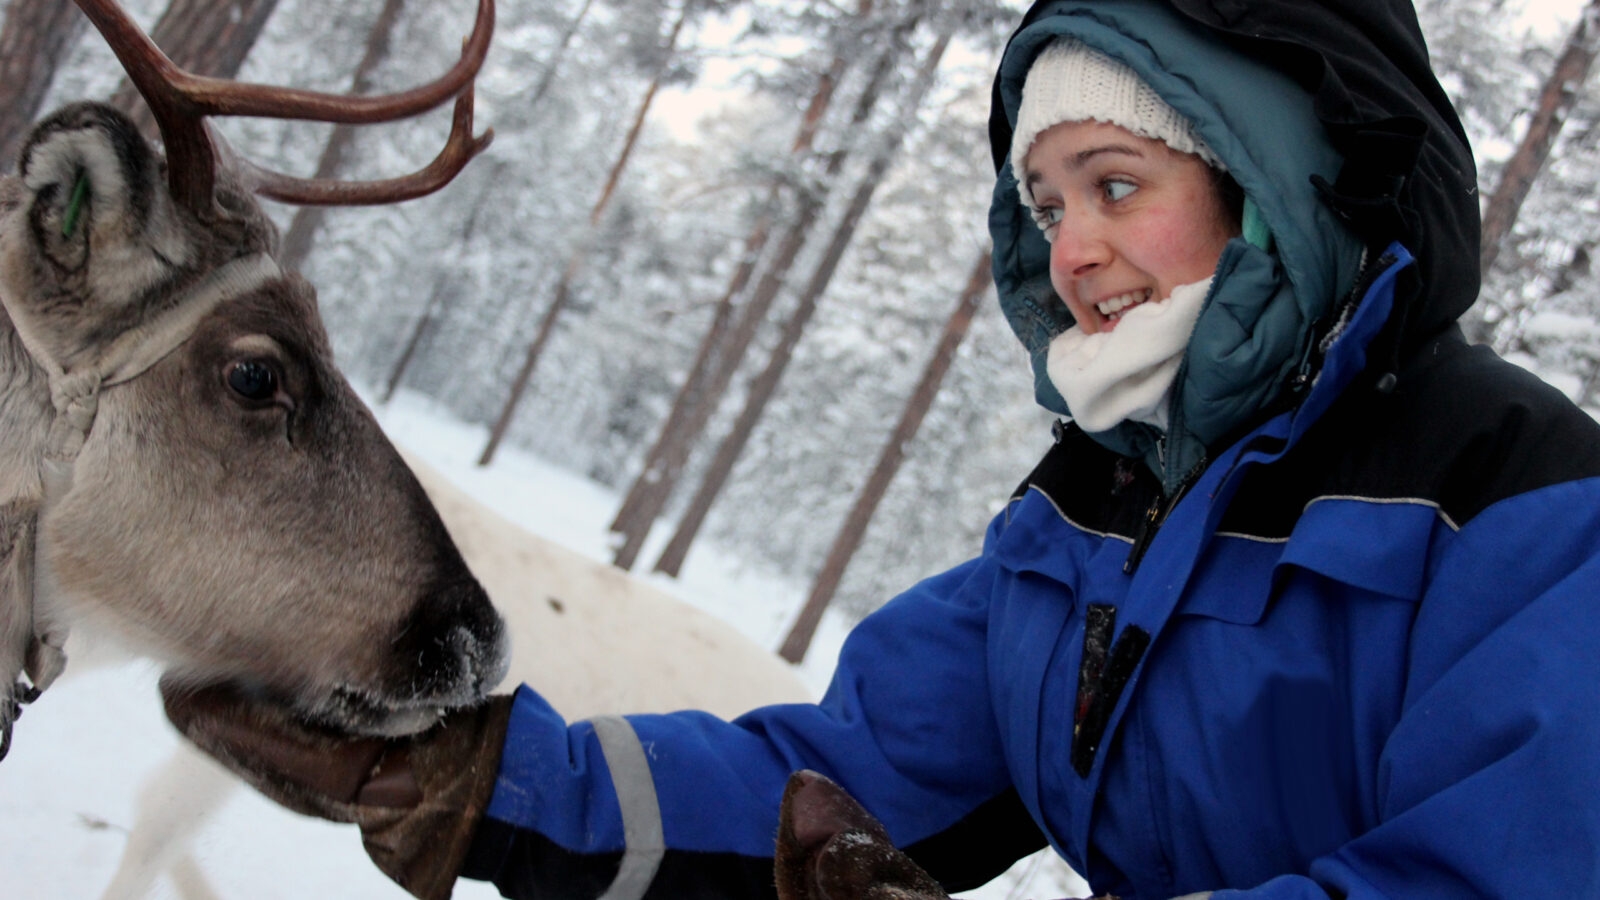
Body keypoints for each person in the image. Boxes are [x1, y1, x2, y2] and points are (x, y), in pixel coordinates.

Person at [161, 0, 1600, 898]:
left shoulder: (1531, 516)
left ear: (1273, 184)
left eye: (1117, 183)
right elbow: (831, 782)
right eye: (1045, 203)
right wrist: (478, 777)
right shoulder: (1086, 530)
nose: (1074, 252)